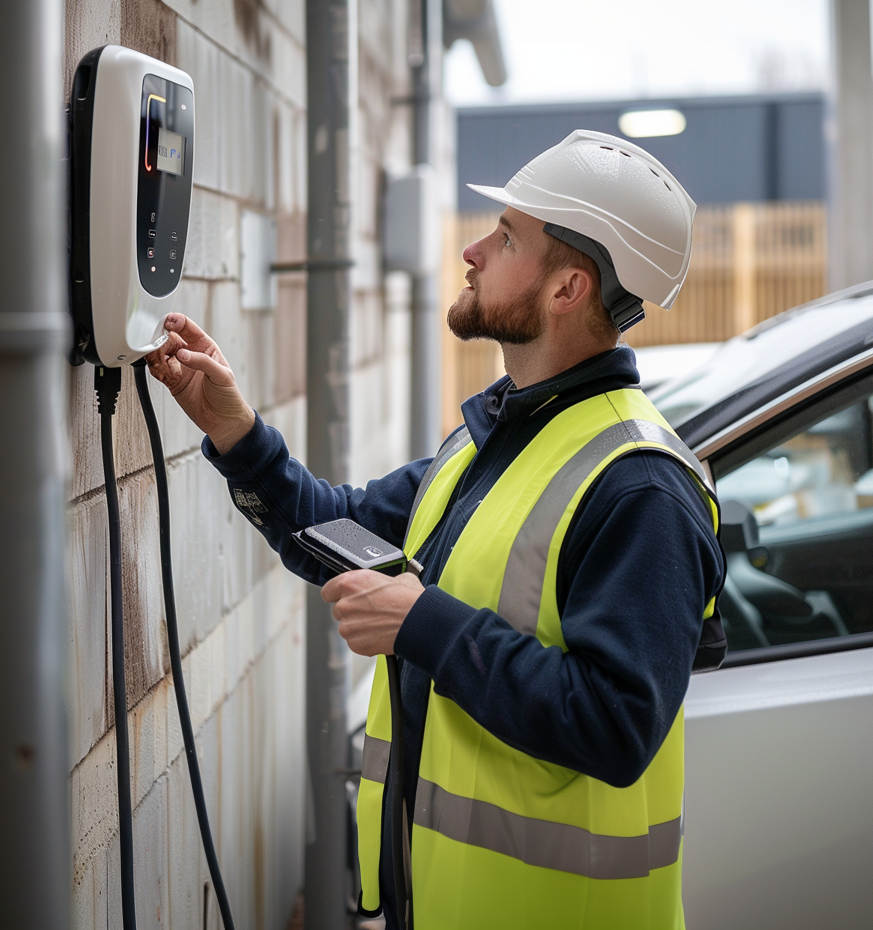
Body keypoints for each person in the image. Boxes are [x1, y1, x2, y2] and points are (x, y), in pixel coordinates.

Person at [147, 130, 725, 930]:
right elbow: (332, 530)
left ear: (567, 289)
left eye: (508, 237)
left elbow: (615, 725)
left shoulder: (641, 490)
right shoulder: (490, 443)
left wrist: (424, 624)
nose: (471, 248)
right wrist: (236, 435)